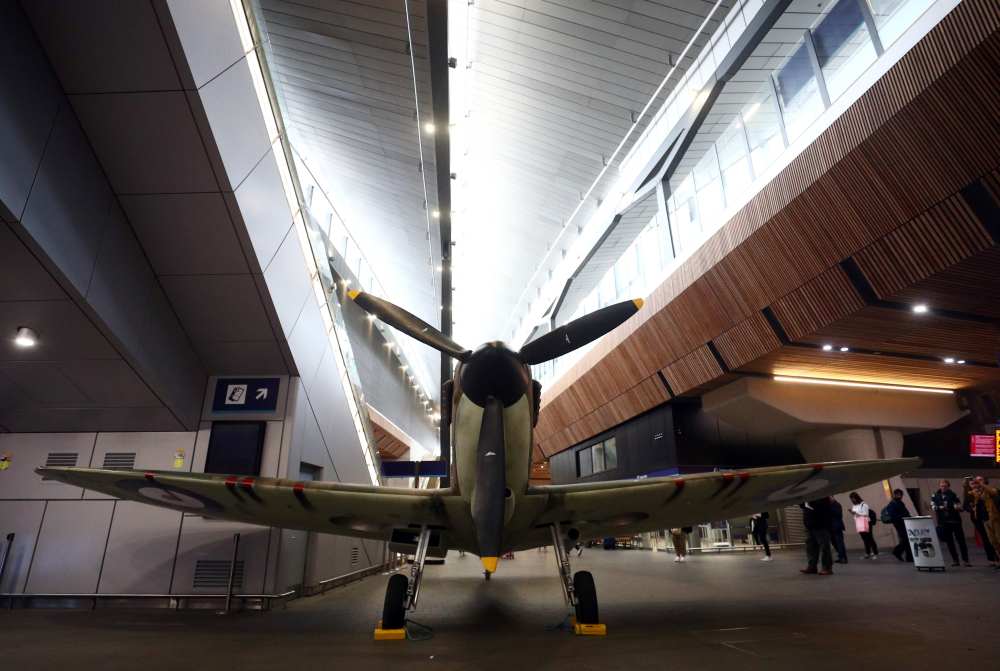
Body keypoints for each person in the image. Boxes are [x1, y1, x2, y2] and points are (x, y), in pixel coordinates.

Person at [931, 479, 971, 567]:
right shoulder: (935, 495)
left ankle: (966, 560)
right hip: (944, 522)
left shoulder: (953, 495)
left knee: (961, 541)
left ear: (948, 487)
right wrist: (939, 507)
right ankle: (955, 560)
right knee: (949, 542)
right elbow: (933, 506)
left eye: (945, 486)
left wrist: (957, 507)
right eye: (942, 486)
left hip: (955, 521)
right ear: (939, 486)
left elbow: (958, 504)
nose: (943, 487)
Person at [964, 476, 1000, 569]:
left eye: (980, 480)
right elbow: (969, 494)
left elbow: (994, 492)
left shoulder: (990, 489)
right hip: (985, 520)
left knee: (999, 539)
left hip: (994, 518)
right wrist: (966, 485)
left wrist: (981, 484)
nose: (977, 482)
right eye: (977, 480)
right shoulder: (977, 493)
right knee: (993, 542)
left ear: (985, 481)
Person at [800, 498, 834, 575]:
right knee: (810, 547)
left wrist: (810, 502)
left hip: (820, 524)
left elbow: (822, 508)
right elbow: (803, 506)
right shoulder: (806, 497)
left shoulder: (822, 496)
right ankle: (812, 566)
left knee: (824, 546)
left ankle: (827, 567)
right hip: (809, 524)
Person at [884, 489, 913, 562]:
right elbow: (894, 515)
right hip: (900, 524)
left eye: (901, 495)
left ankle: (906, 556)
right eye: (898, 494)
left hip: (904, 523)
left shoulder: (899, 502)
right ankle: (898, 552)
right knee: (906, 539)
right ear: (895, 494)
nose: (900, 496)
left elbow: (905, 512)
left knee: (906, 540)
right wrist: (903, 517)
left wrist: (908, 517)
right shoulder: (893, 503)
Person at [849, 492, 879, 559]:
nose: (852, 500)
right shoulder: (854, 506)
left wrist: (856, 513)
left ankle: (875, 553)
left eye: (853, 498)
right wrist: (853, 513)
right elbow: (855, 515)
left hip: (866, 522)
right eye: (851, 499)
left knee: (870, 537)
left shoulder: (864, 504)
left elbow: (865, 514)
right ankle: (868, 553)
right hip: (859, 523)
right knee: (864, 539)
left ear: (857, 497)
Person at [829, 496, 848, 564]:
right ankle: (841, 556)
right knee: (834, 543)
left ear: (833, 497)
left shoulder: (836, 504)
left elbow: (838, 514)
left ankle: (843, 558)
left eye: (830, 497)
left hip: (837, 527)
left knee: (839, 543)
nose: (829, 499)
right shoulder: (829, 505)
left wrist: (829, 509)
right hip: (831, 528)